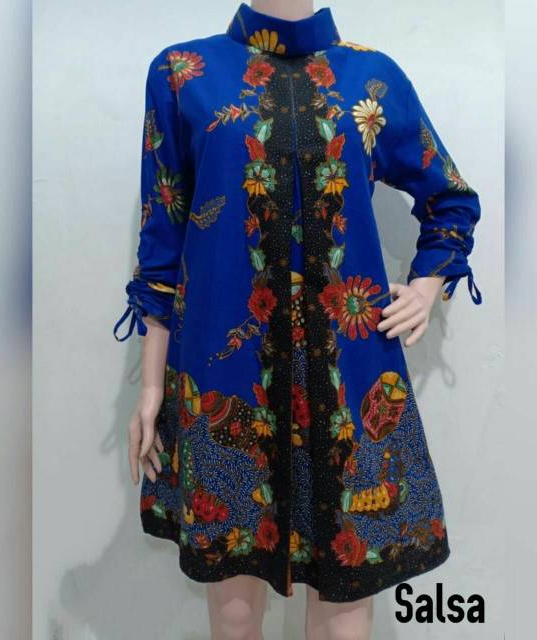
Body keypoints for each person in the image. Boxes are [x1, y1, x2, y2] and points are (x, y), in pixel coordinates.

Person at [113, 1, 482, 638]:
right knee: (234, 616)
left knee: (344, 610)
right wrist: (151, 386)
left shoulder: (372, 78)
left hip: (349, 377)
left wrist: (427, 286)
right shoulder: (182, 73)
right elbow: (163, 240)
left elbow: (449, 198)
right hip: (224, 381)